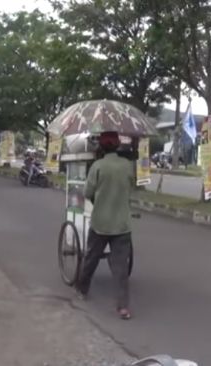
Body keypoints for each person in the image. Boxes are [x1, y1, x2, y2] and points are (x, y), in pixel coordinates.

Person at [76, 131, 135, 320]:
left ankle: (82, 289)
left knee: (91, 258)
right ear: (117, 146)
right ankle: (123, 307)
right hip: (122, 223)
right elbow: (130, 187)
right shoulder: (127, 166)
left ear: (101, 147)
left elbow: (87, 192)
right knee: (121, 268)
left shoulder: (97, 166)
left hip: (100, 222)